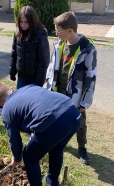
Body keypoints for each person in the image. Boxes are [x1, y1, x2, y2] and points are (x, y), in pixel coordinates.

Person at [0, 82, 81, 186]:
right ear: (11, 89)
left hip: (55, 122)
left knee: (30, 157)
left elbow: (15, 140)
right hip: (73, 113)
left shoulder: (6, 111)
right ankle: (52, 183)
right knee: (56, 148)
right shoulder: (27, 87)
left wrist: (17, 158)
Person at [44, 11, 97, 165]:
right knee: (57, 119)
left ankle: (82, 148)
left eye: (58, 31)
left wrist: (84, 102)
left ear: (70, 31)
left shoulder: (87, 50)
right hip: (57, 92)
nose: (56, 33)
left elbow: (91, 77)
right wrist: (47, 88)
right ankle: (58, 142)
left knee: (79, 123)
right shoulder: (59, 45)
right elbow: (51, 69)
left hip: (76, 95)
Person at [9, 6, 50, 89]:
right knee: (21, 100)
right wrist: (12, 71)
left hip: (34, 79)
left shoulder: (40, 36)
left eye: (26, 22)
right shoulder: (17, 33)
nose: (23, 25)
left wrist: (39, 82)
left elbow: (43, 61)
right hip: (21, 77)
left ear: (32, 21)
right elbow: (14, 54)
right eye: (21, 21)